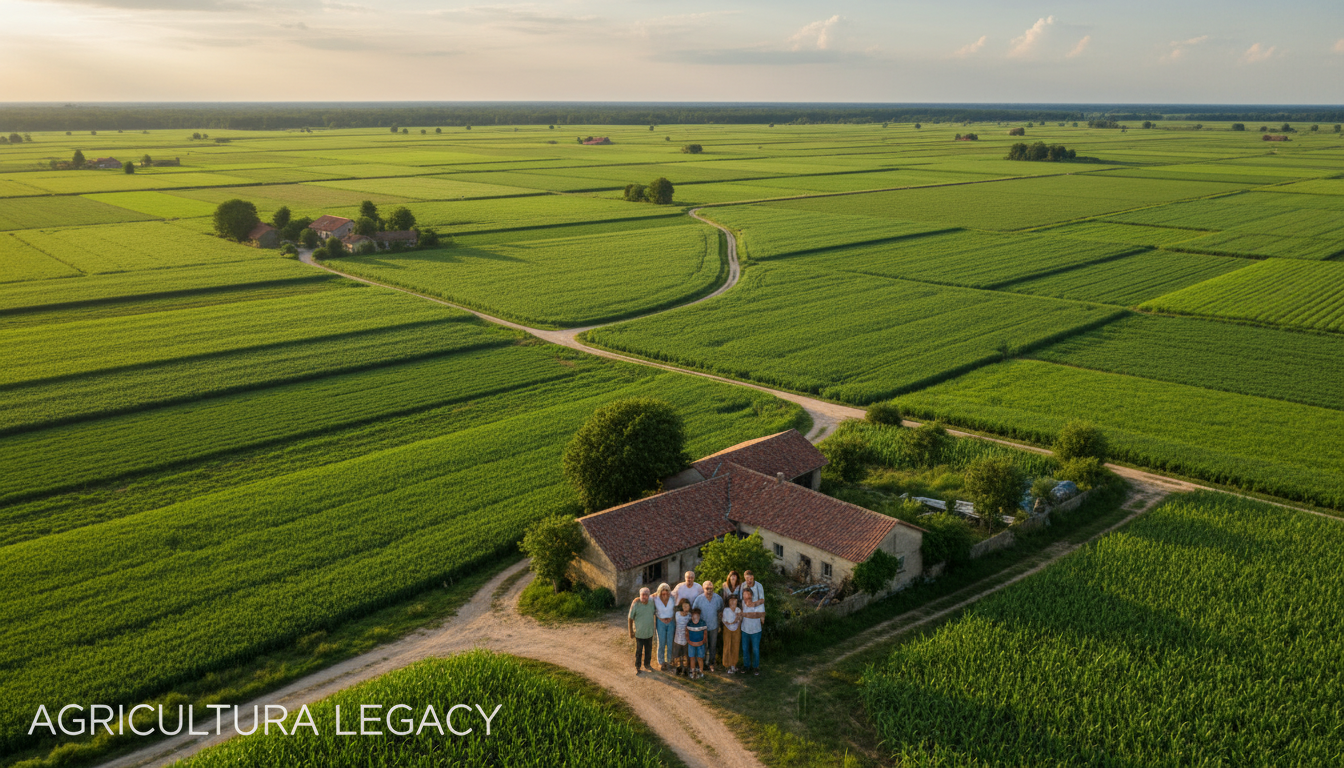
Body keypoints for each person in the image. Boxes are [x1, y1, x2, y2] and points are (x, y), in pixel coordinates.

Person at [691, 580, 724, 672]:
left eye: (711, 588)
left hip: (714, 626)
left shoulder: (718, 599)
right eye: (707, 588)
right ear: (703, 588)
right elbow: (694, 612)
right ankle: (703, 664)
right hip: (702, 628)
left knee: (712, 646)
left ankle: (711, 663)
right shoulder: (698, 599)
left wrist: (720, 625)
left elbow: (721, 611)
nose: (709, 590)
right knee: (703, 647)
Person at [627, 587, 656, 675]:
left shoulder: (652, 602)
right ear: (639, 595)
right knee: (639, 651)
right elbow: (630, 618)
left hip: (649, 632)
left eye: (646, 595)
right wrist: (630, 631)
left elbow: (657, 594)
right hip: (639, 633)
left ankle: (647, 664)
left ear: (649, 596)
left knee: (649, 650)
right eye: (642, 595)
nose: (644, 597)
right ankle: (638, 666)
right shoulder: (636, 604)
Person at [740, 586, 764, 676]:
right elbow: (739, 615)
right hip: (745, 630)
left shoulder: (757, 604)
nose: (747, 596)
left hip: (756, 631)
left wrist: (744, 614)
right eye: (745, 594)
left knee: (755, 649)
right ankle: (746, 666)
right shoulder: (742, 603)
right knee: (745, 649)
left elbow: (757, 615)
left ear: (751, 595)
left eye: (748, 594)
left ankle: (755, 667)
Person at [652, 583, 676, 671]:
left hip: (671, 621)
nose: (665, 595)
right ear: (660, 592)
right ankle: (661, 661)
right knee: (661, 642)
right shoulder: (655, 598)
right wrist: (660, 618)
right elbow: (645, 596)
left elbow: (675, 609)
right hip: (660, 621)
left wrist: (671, 618)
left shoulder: (672, 598)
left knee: (670, 642)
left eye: (667, 592)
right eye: (663, 593)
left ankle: (669, 660)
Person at [720, 593, 742, 674]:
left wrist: (737, 619)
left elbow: (739, 620)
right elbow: (727, 622)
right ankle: (727, 665)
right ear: (728, 602)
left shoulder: (738, 610)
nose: (733, 602)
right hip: (727, 629)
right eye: (731, 600)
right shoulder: (726, 610)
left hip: (736, 629)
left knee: (735, 646)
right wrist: (735, 620)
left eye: (735, 600)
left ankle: (734, 665)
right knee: (727, 646)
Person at [685, 608, 708, 679]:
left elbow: (705, 633)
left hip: (700, 644)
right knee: (692, 658)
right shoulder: (689, 623)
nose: (694, 618)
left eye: (696, 616)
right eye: (693, 616)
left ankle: (701, 671)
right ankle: (692, 671)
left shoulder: (702, 623)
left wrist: (703, 641)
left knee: (700, 658)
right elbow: (687, 633)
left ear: (699, 616)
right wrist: (688, 641)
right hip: (691, 644)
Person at [672, 599, 692, 675]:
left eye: (687, 606)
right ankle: (678, 668)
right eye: (684, 606)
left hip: (686, 639)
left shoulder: (690, 615)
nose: (686, 607)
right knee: (677, 654)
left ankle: (685, 669)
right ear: (681, 606)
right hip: (677, 638)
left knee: (685, 655)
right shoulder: (677, 614)